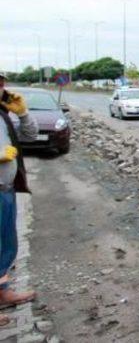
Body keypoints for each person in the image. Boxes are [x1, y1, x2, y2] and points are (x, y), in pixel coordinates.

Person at [0, 72, 38, 326]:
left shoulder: (3, 114)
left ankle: (2, 292)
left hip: (6, 189)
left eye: (0, 83)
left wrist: (23, 114)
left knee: (6, 247)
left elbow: (30, 136)